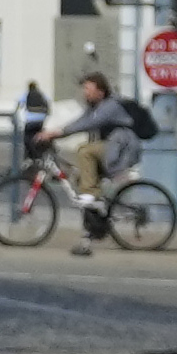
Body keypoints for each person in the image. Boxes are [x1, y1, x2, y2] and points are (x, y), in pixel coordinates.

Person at [50, 71, 153, 250]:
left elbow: (87, 124)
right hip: (112, 147)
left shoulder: (110, 106)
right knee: (81, 177)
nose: (85, 93)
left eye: (89, 89)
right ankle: (92, 232)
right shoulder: (95, 106)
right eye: (84, 89)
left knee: (85, 152)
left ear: (101, 91)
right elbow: (82, 119)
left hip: (122, 149)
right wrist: (57, 131)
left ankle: (91, 195)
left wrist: (57, 133)